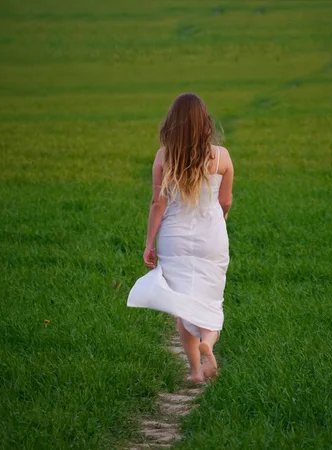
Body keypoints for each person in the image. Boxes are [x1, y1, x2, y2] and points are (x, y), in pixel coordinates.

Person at [127, 93, 234, 384]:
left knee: (183, 305)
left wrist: (149, 244)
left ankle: (196, 372)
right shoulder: (222, 158)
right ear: (205, 123)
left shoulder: (164, 157)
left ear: (172, 123)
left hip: (174, 237)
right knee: (212, 301)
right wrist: (218, 221)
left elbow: (157, 204)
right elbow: (225, 203)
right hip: (211, 236)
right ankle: (208, 345)